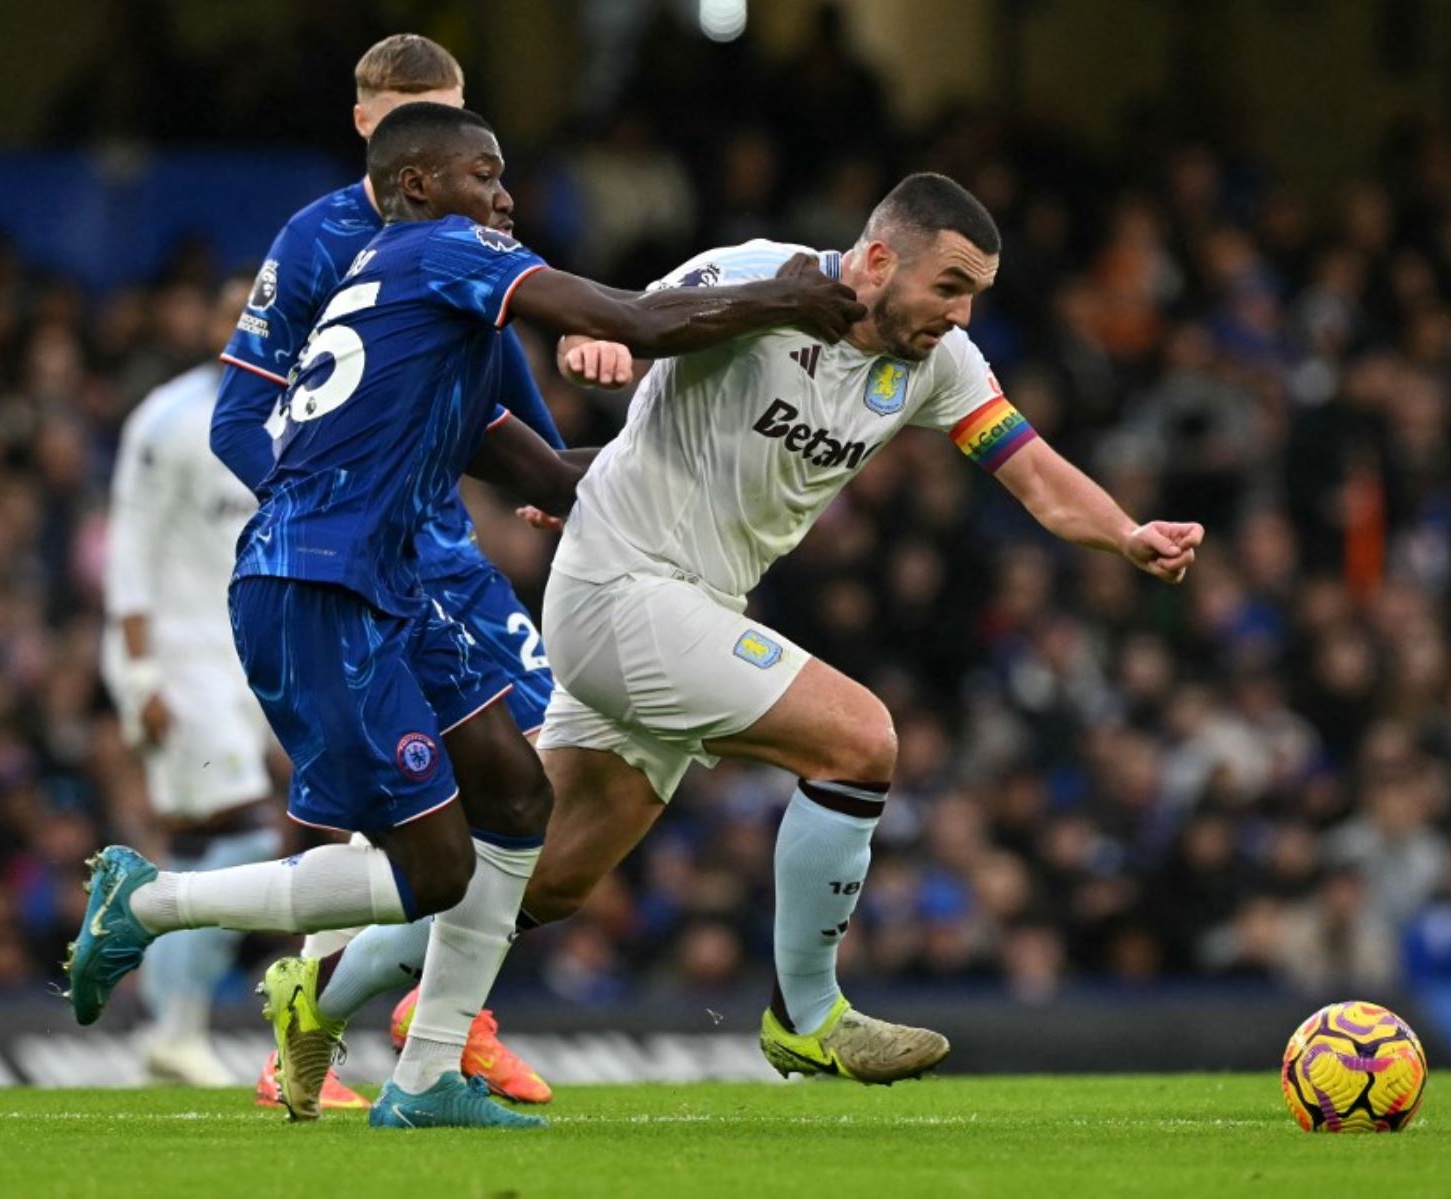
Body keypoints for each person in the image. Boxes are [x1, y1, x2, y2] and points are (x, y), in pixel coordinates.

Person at [64, 101, 866, 1130]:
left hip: (388, 581)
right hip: (318, 581)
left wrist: (721, 476)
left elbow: (546, 470)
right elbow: (634, 320)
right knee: (433, 866)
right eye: (483, 176)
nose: (505, 196)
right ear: (415, 189)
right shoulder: (442, 253)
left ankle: (428, 1074)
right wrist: (787, 296)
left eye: (505, 178)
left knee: (517, 795)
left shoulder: (425, 324)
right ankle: (147, 902)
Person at [531, 173, 1201, 1081]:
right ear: (879, 259)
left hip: (690, 608)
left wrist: (1126, 532)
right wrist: (590, 344)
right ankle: (807, 1012)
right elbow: (618, 316)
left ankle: (321, 987)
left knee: (543, 872)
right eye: (950, 286)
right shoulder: (759, 276)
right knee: (859, 738)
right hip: (624, 586)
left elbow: (1035, 474)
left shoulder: (936, 364)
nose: (961, 315)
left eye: (975, 295)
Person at [211, 33, 565, 1111]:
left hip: (440, 545)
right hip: (351, 549)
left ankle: (406, 1006)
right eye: (425, 118)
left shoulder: (470, 231)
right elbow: (240, 416)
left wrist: (546, 469)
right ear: (373, 129)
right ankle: (379, 1013)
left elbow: (493, 377)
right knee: (392, 797)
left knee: (532, 754)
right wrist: (334, 514)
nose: (472, 159)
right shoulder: (318, 238)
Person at [102, 276, 281, 1087]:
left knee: (201, 842)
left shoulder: (291, 416)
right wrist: (140, 671)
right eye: (228, 312)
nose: (242, 328)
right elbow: (130, 547)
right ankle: (175, 1018)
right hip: (176, 653)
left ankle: (170, 1027)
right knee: (245, 831)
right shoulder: (169, 417)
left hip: (249, 654)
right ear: (208, 323)